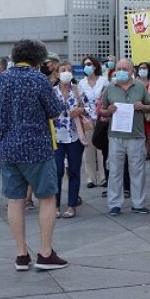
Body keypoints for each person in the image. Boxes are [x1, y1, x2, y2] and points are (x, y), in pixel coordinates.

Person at [0, 39, 68, 271]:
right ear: (39, 59)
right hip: (37, 146)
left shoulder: (0, 80)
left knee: (15, 200)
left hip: (8, 147)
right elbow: (55, 112)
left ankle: (21, 254)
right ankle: (45, 253)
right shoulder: (39, 80)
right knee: (47, 198)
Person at [98, 59, 150, 216]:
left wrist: (143, 107)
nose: (121, 71)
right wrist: (108, 110)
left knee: (138, 170)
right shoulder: (110, 88)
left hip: (136, 135)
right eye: (118, 68)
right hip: (115, 136)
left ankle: (138, 203)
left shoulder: (140, 87)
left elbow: (149, 106)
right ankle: (114, 204)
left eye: (124, 69)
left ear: (131, 71)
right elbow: (101, 111)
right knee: (115, 170)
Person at [52, 62, 86, 218]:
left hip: (75, 136)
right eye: (63, 70)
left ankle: (72, 205)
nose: (66, 73)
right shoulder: (51, 92)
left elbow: (90, 108)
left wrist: (81, 110)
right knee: (57, 171)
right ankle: (55, 205)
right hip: (57, 137)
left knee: (74, 171)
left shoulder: (78, 90)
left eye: (69, 71)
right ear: (57, 74)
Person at [78, 56, 109, 190]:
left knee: (101, 148)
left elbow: (107, 98)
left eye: (89, 64)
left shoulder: (104, 81)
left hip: (101, 118)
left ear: (95, 66)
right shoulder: (81, 83)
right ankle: (91, 178)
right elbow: (80, 101)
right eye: (85, 65)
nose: (87, 67)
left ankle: (103, 177)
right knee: (88, 148)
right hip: (87, 118)